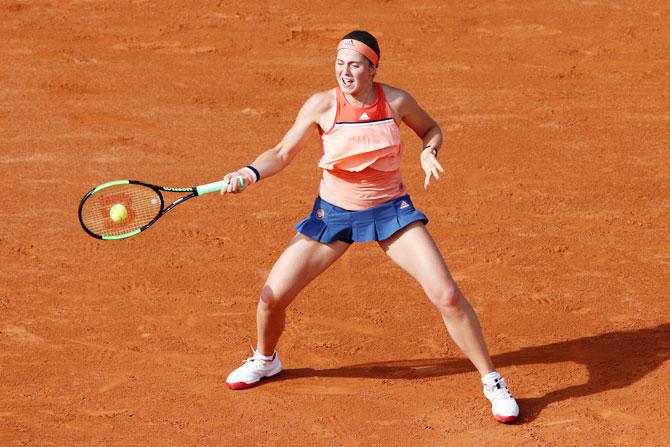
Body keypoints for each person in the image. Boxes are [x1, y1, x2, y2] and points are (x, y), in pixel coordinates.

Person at [220, 30, 519, 423]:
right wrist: (249, 173)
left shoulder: (396, 100)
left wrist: (429, 151)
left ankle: (492, 380)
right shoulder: (321, 105)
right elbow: (281, 152)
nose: (345, 72)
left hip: (391, 212)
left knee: (446, 294)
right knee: (271, 297)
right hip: (336, 215)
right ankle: (265, 359)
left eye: (355, 65)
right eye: (340, 63)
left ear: (372, 68)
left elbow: (431, 129)